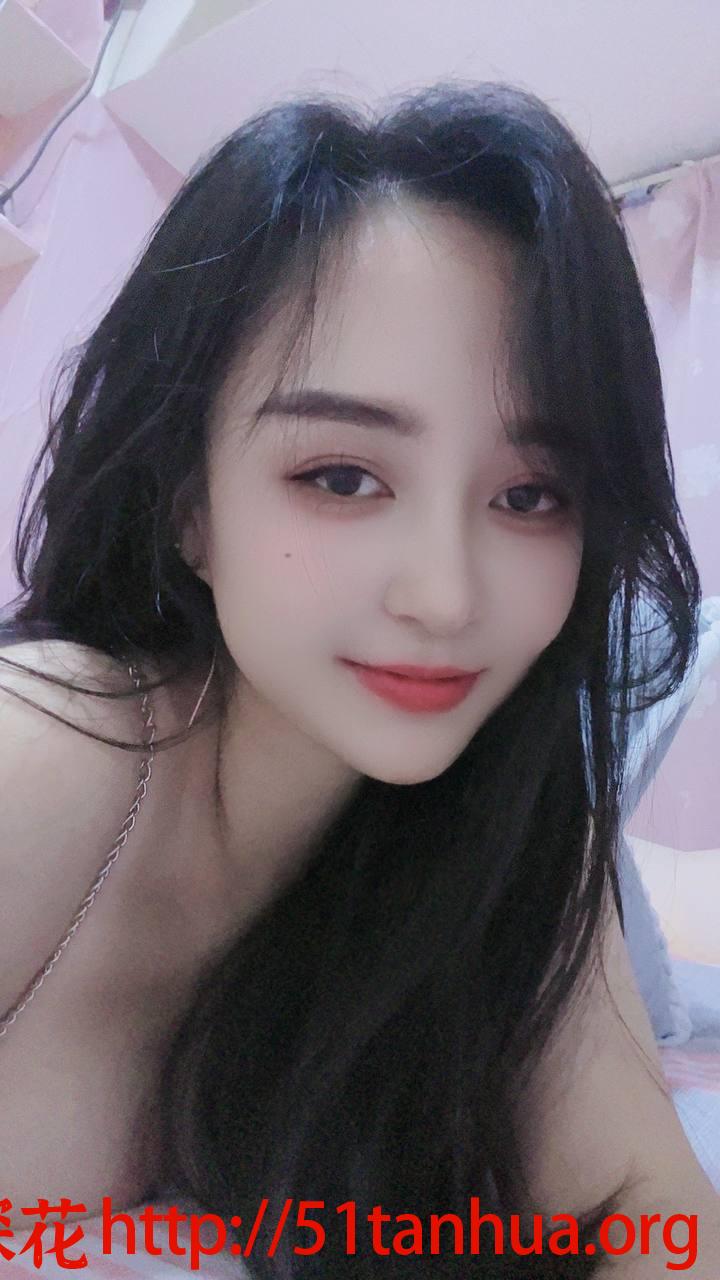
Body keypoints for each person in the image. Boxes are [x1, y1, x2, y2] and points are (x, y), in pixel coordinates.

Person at [0, 81, 717, 1276]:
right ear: (189, 506)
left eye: (529, 495)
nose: (445, 594)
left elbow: (651, 1209)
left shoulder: (518, 827)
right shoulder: (39, 754)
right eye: (342, 476)